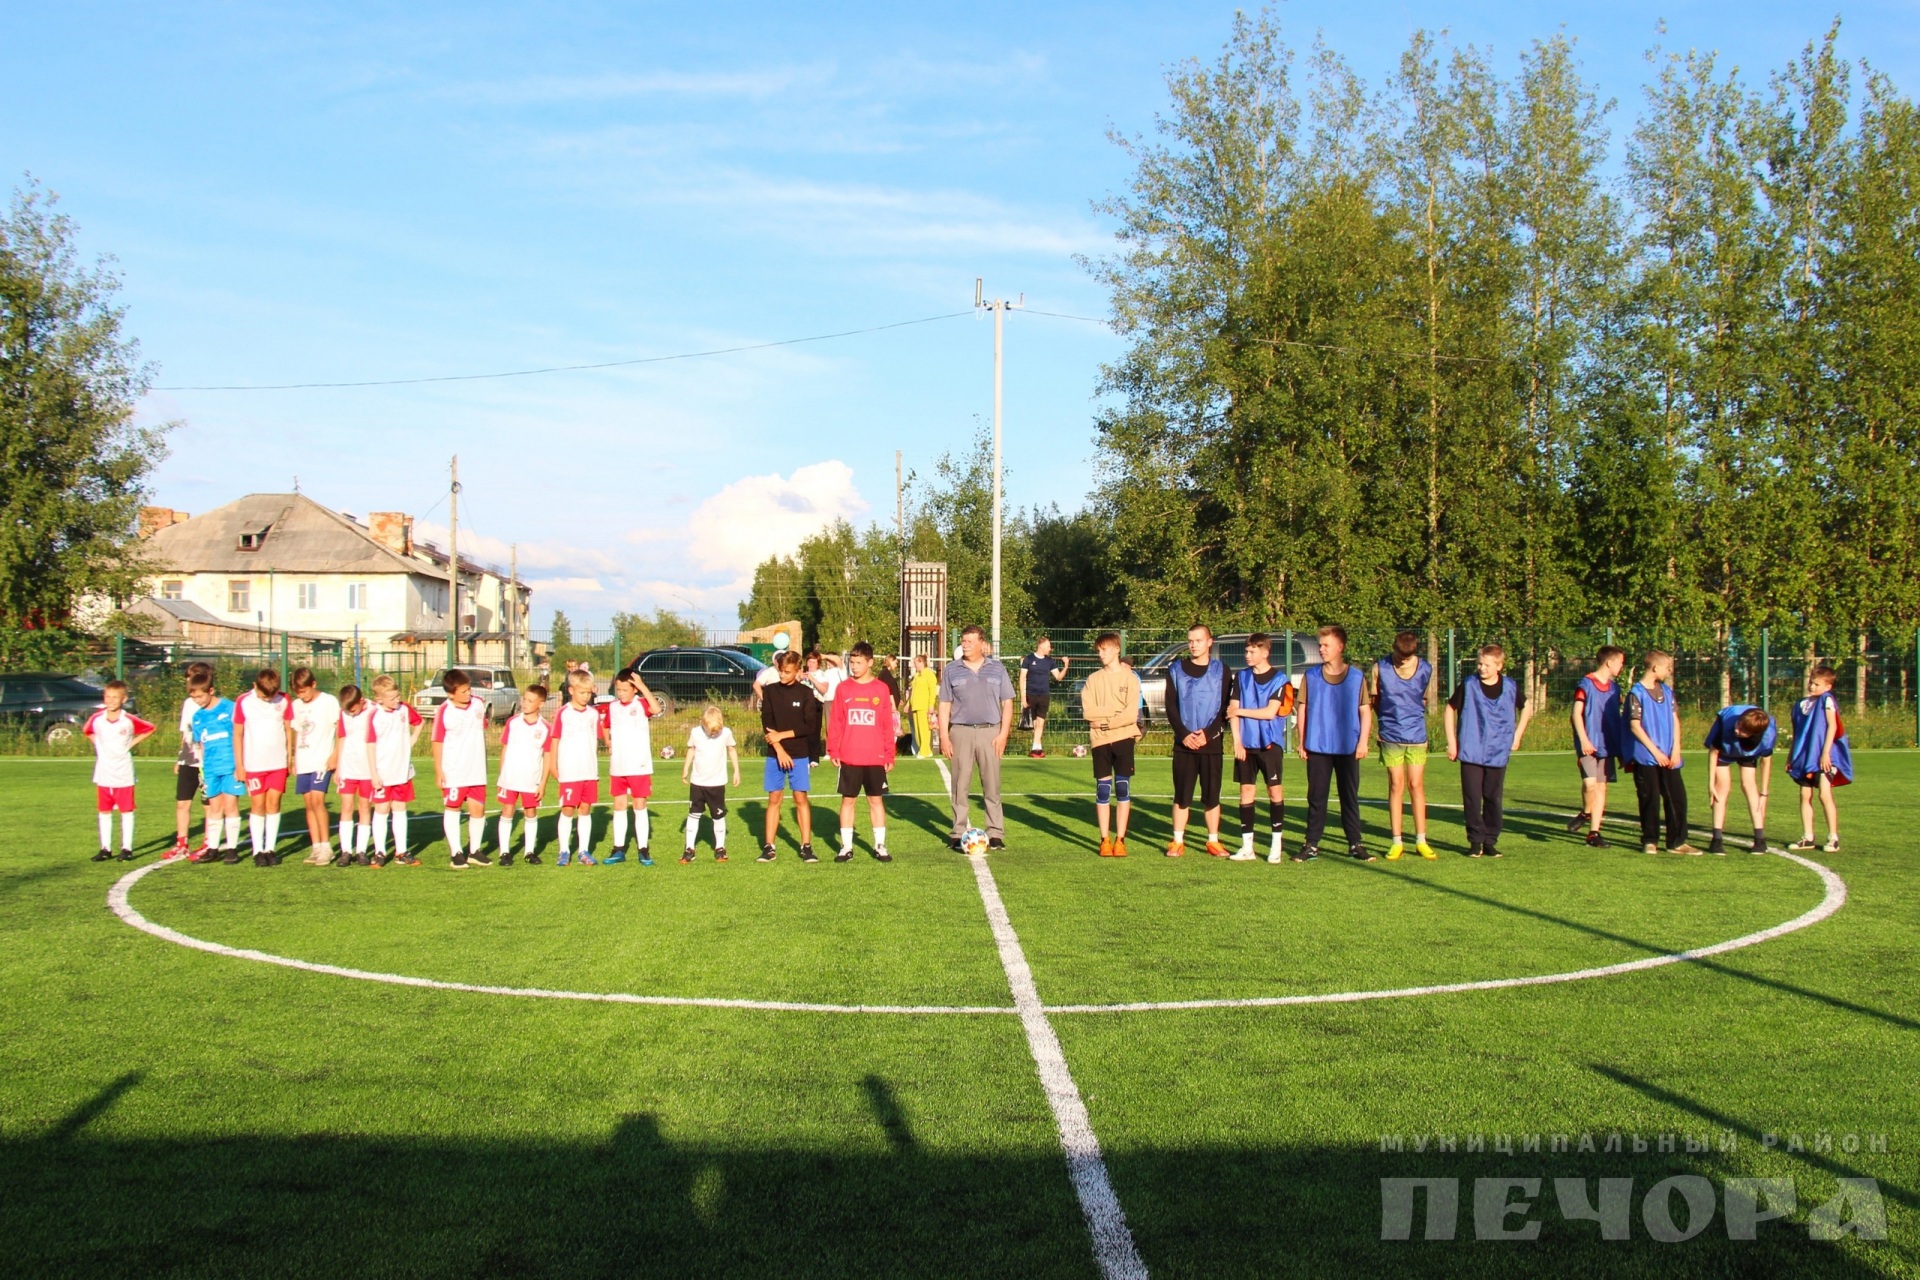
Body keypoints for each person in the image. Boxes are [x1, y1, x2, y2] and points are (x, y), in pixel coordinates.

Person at [1443, 644, 1535, 858]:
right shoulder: (1469, 684)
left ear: (1499, 666)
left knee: (1493, 797)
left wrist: (1517, 735)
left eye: (1486, 664)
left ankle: (1490, 840)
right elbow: (1450, 709)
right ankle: (1475, 841)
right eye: (1479, 663)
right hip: (1471, 748)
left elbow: (1527, 707)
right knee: (1472, 798)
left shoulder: (1511, 686)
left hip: (1498, 749)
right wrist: (1452, 742)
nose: (1481, 668)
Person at [1295, 625, 1373, 862]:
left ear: (1341, 647)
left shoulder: (1357, 677)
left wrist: (1363, 742)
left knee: (1349, 796)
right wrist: (1302, 741)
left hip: (1347, 746)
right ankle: (1311, 845)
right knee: (1316, 797)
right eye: (1320, 645)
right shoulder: (1311, 676)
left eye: (1326, 645)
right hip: (1318, 746)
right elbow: (1303, 709)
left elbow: (1365, 711)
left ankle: (1355, 843)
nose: (1321, 649)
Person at [937, 625, 1016, 851]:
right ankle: (958, 832)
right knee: (959, 785)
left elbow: (1007, 703)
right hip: (960, 732)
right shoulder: (952, 670)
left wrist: (1003, 734)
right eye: (963, 641)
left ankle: (995, 832)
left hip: (991, 732)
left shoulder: (997, 669)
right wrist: (944, 735)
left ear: (982, 643)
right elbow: (944, 704)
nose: (965, 645)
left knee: (992, 785)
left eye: (970, 641)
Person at [1226, 632, 1295, 862]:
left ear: (1265, 652)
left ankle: (1276, 844)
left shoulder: (1279, 679)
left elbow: (1269, 713)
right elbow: (1231, 710)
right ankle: (1247, 847)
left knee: (1274, 791)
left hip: (1269, 745)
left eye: (1252, 651)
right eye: (1246, 650)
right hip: (1246, 745)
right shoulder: (1241, 677)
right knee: (1246, 791)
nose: (1247, 654)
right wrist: (1237, 741)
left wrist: (1239, 711)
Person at [827, 641, 898, 863]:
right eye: (852, 662)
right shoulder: (843, 689)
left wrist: (889, 753)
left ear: (870, 662)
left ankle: (880, 845)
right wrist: (833, 749)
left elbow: (887, 724)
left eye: (858, 662)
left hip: (875, 757)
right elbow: (836, 722)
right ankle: (846, 847)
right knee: (848, 801)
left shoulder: (881, 689)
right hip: (849, 756)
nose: (854, 666)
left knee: (875, 800)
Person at [1164, 624, 1230, 857]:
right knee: (1182, 794)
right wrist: (1183, 734)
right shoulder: (1175, 669)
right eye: (1190, 640)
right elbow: (1170, 706)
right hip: (1185, 744)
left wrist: (1208, 733)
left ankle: (1213, 840)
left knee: (1212, 794)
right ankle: (1177, 840)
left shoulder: (1222, 671)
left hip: (1210, 744)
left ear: (1209, 642)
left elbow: (1225, 709)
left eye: (1198, 640)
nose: (1193, 645)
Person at [1626, 650, 1699, 855]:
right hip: (1647, 755)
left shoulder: (1667, 692)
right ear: (1655, 667)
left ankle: (1677, 841)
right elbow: (1635, 726)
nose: (1669, 671)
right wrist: (1655, 752)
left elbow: (1675, 720)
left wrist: (1676, 749)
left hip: (1669, 755)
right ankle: (1649, 840)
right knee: (1650, 797)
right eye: (1667, 668)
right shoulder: (1636, 693)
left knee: (1677, 797)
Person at [1371, 632, 1434, 861]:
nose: (1402, 661)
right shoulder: (1380, 668)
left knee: (1416, 784)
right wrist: (1384, 723)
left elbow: (1424, 700)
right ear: (1393, 648)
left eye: (1406, 658)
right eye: (1399, 656)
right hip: (1390, 736)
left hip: (1417, 736)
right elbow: (1375, 699)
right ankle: (1396, 841)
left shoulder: (1426, 669)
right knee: (1396, 785)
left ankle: (1421, 840)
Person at [1079, 631, 1142, 857]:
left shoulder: (1130, 679)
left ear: (1116, 649)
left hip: (1124, 738)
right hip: (1100, 742)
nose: (1100, 653)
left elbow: (1130, 713)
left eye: (1104, 649)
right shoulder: (1093, 680)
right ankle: (1104, 839)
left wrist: (1106, 722)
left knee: (1123, 788)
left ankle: (1120, 839)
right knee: (1103, 790)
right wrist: (1113, 716)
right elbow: (1089, 711)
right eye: (1098, 650)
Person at [759, 651, 821, 862]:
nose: (782, 675)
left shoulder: (805, 693)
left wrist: (783, 736)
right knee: (774, 799)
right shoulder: (770, 692)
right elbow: (767, 725)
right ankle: (769, 847)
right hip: (775, 754)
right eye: (780, 671)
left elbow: (809, 726)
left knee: (800, 798)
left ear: (797, 671)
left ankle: (806, 846)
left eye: (787, 672)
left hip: (799, 754)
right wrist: (779, 749)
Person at [84, 679, 155, 862]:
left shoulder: (128, 720)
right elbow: (87, 731)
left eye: (115, 697)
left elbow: (150, 728)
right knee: (104, 811)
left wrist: (131, 744)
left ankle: (127, 848)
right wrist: (99, 746)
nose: (111, 700)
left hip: (123, 772)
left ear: (123, 699)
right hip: (104, 773)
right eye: (108, 696)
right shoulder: (97, 719)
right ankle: (105, 848)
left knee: (126, 810)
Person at [232, 668, 294, 866]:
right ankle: (258, 850)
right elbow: (238, 734)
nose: (267, 699)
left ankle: (270, 849)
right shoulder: (243, 701)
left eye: (271, 695)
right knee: (258, 804)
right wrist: (240, 765)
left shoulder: (284, 700)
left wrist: (290, 758)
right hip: (254, 764)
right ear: (254, 686)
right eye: (263, 695)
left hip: (277, 763)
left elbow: (288, 729)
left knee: (274, 803)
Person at [1567, 645, 1628, 847]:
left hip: (1607, 743)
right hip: (1588, 743)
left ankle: (1594, 833)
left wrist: (1620, 749)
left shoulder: (1614, 688)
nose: (1622, 666)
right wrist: (1583, 739)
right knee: (1589, 784)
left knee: (1601, 786)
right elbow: (1576, 713)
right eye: (1620, 662)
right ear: (1609, 662)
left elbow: (1616, 718)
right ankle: (1586, 811)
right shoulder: (1586, 683)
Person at [1787, 666, 1852, 853]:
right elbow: (1797, 733)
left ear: (1828, 687)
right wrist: (1791, 757)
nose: (1812, 686)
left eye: (1817, 684)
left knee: (1824, 794)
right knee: (1804, 795)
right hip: (1805, 757)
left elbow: (1832, 726)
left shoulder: (1827, 700)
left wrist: (1826, 753)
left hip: (1824, 757)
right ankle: (1808, 837)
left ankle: (1833, 837)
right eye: (1811, 682)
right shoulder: (1801, 704)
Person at [432, 668, 492, 868]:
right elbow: (437, 741)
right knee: (453, 807)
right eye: (463, 691)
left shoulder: (478, 704)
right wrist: (439, 770)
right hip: (454, 770)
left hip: (476, 768)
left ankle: (474, 851)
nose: (468, 694)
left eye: (468, 689)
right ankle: (456, 852)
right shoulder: (444, 711)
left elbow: (482, 727)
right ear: (451, 693)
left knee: (478, 809)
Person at [548, 669, 605, 866]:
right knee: (567, 809)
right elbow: (554, 740)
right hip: (569, 770)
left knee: (585, 809)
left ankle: (583, 850)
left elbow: (597, 739)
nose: (586, 696)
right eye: (582, 692)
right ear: (571, 690)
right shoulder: (563, 713)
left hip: (588, 770)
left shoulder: (593, 714)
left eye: (589, 693)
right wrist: (553, 766)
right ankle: (564, 851)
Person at [365, 674, 423, 866]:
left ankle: (401, 852)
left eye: (398, 696)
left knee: (400, 808)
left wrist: (413, 739)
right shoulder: (375, 716)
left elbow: (419, 722)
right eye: (392, 698)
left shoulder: (404, 709)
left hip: (402, 771)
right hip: (383, 772)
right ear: (379, 699)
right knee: (381, 809)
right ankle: (380, 852)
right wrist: (374, 774)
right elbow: (371, 745)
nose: (397, 700)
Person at [186, 673, 245, 863]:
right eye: (193, 697)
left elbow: (240, 736)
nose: (197, 701)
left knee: (230, 806)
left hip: (230, 766)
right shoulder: (197, 717)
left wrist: (240, 765)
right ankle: (212, 848)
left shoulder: (230, 708)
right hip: (210, 769)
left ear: (211, 691)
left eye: (200, 696)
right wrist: (203, 769)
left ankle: (232, 849)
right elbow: (202, 745)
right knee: (214, 807)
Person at [1703, 703, 1777, 854]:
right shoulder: (1727, 724)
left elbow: (1766, 762)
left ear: (1753, 734)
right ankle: (1716, 840)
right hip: (1725, 749)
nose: (1737, 730)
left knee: (1749, 786)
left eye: (1743, 730)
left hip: (1748, 753)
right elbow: (1713, 752)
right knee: (1722, 787)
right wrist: (1711, 784)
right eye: (1739, 725)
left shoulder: (1766, 735)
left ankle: (1759, 839)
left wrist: (1764, 793)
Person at [605, 668, 661, 864]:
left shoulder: (642, 704)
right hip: (618, 766)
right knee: (619, 806)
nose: (621, 693)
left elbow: (656, 709)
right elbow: (605, 726)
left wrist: (642, 686)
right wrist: (608, 742)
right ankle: (618, 848)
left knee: (639, 805)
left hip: (639, 765)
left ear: (635, 689)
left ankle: (643, 849)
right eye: (618, 689)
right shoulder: (612, 707)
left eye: (625, 689)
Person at [287, 668, 342, 866]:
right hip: (304, 760)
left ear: (313, 684)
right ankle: (316, 846)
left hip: (321, 760)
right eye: (297, 692)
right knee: (309, 803)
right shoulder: (296, 705)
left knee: (318, 801)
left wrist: (335, 755)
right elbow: (296, 732)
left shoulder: (328, 702)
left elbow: (339, 730)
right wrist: (293, 758)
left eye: (304, 691)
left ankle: (326, 848)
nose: (301, 696)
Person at [495, 682, 551, 865]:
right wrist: (502, 774)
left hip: (531, 778)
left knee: (530, 812)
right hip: (510, 777)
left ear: (540, 704)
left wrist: (542, 783)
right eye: (524, 699)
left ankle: (529, 852)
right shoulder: (513, 722)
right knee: (508, 810)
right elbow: (505, 748)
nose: (525, 703)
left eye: (530, 701)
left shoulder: (544, 728)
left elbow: (548, 756)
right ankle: (504, 852)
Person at [681, 704, 740, 862]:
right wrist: (686, 768)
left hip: (717, 784)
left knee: (718, 816)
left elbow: (732, 750)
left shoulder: (726, 733)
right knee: (694, 814)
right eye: (711, 731)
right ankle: (689, 849)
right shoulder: (696, 732)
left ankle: (720, 848)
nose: (714, 734)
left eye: (716, 731)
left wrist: (736, 770)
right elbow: (691, 750)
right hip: (698, 783)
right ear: (703, 723)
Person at [171, 660, 213, 858]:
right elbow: (185, 732)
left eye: (191, 677)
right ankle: (181, 843)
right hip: (188, 760)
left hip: (206, 762)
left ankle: (208, 841)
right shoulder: (188, 703)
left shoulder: (211, 704)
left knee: (208, 804)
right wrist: (180, 757)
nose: (188, 681)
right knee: (182, 802)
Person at [335, 683, 374, 865]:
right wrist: (338, 767)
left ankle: (362, 851)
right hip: (348, 768)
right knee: (347, 807)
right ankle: (345, 851)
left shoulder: (373, 711)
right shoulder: (343, 714)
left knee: (365, 807)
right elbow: (342, 737)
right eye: (347, 710)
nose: (350, 713)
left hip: (367, 770)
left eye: (353, 709)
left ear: (361, 701)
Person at [1019, 637, 1070, 758]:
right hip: (1031, 694)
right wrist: (1022, 696)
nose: (1050, 649)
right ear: (1041, 646)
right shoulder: (1028, 659)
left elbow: (1058, 677)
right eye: (1048, 646)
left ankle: (1035, 749)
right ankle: (1038, 748)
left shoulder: (1050, 661)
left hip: (1044, 695)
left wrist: (1066, 665)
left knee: (1040, 723)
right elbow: (1022, 678)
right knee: (1035, 724)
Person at [907, 654, 939, 758]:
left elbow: (932, 691)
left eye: (915, 663)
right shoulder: (916, 676)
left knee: (924, 729)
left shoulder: (929, 674)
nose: (914, 665)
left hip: (924, 706)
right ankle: (923, 749)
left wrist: (931, 705)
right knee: (917, 730)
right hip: (915, 706)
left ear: (921, 662)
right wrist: (908, 704)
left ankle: (925, 751)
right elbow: (913, 691)